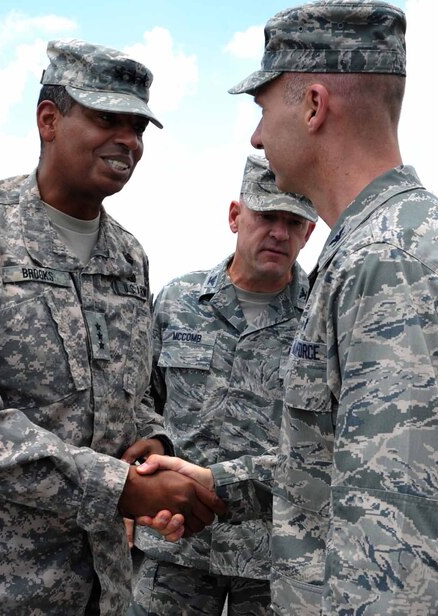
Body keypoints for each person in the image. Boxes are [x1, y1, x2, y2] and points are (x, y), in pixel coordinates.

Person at [138, 2, 438, 614]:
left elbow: (398, 567)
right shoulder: (378, 245)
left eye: (263, 107)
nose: (257, 135)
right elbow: (345, 464)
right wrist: (219, 483)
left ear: (314, 105)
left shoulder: (389, 263)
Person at [0, 39, 224, 616]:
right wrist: (120, 489)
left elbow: (130, 398)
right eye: (108, 118)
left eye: (138, 127)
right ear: (49, 119)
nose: (129, 141)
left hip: (92, 590)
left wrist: (152, 444)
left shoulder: (128, 257)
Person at [129, 155, 315, 615]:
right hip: (175, 544)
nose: (279, 232)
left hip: (277, 556)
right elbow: (140, 400)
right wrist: (134, 488)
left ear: (309, 233)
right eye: (266, 216)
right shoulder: (178, 301)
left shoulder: (321, 316)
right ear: (235, 216)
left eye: (294, 222)